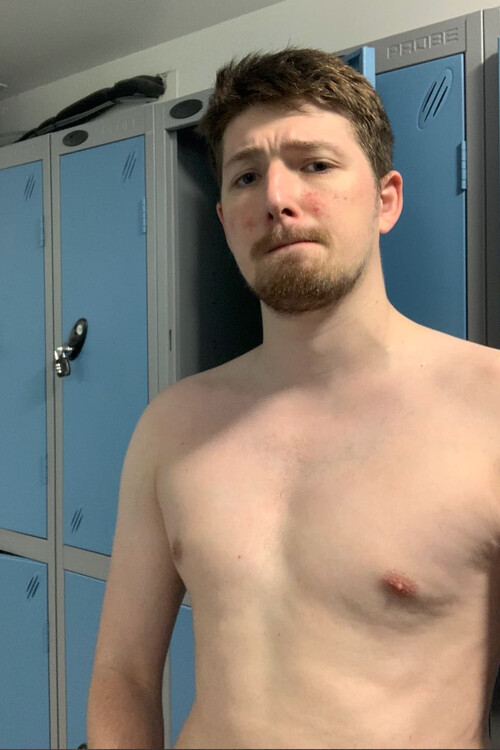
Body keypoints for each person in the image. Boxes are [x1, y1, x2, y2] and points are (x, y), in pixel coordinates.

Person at [87, 48, 500, 749]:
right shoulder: (172, 426)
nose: (276, 198)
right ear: (226, 220)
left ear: (386, 200)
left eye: (315, 164)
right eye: (247, 175)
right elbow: (121, 672)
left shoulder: (488, 411)